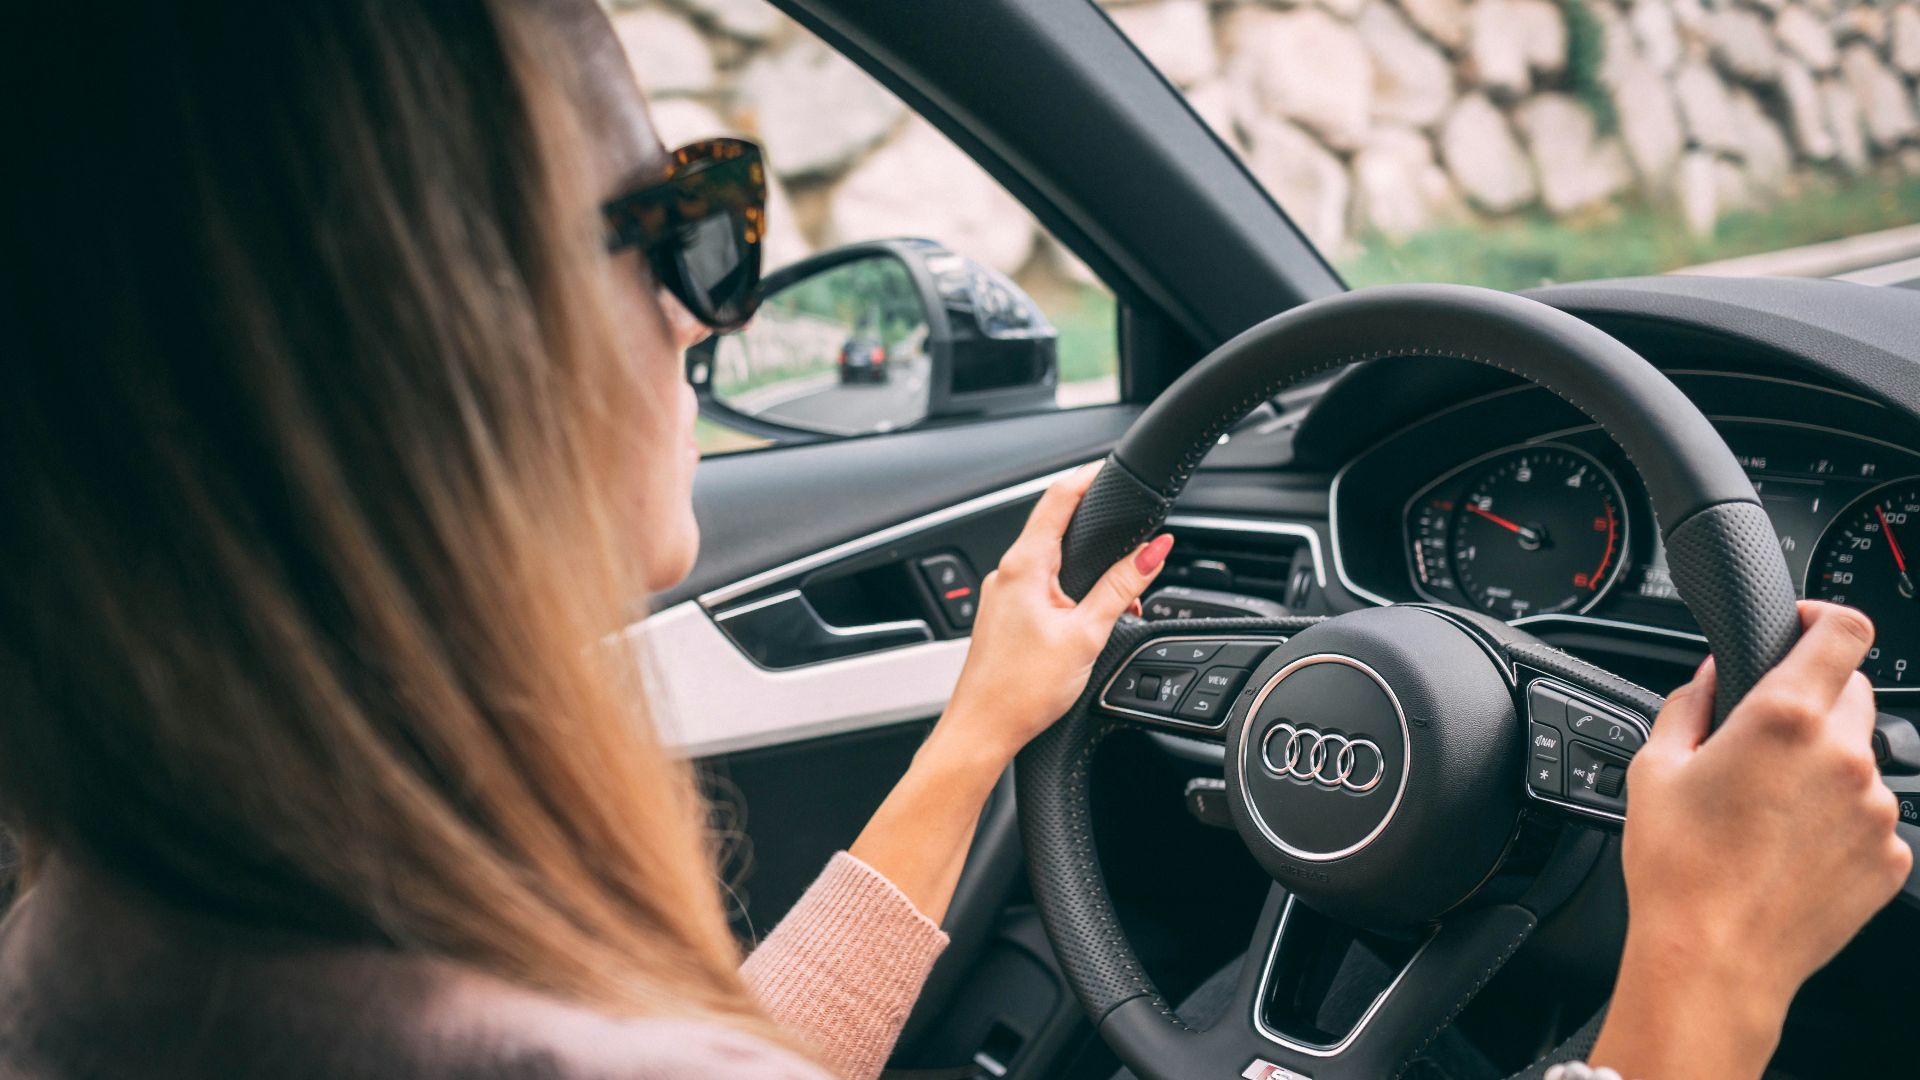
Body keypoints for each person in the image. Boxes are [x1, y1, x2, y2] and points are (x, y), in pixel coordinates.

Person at [0, 2, 1904, 1079]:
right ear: (427, 330)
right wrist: (1707, 967)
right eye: (683, 225)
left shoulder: (100, 949)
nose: (706, 310)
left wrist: (978, 739)